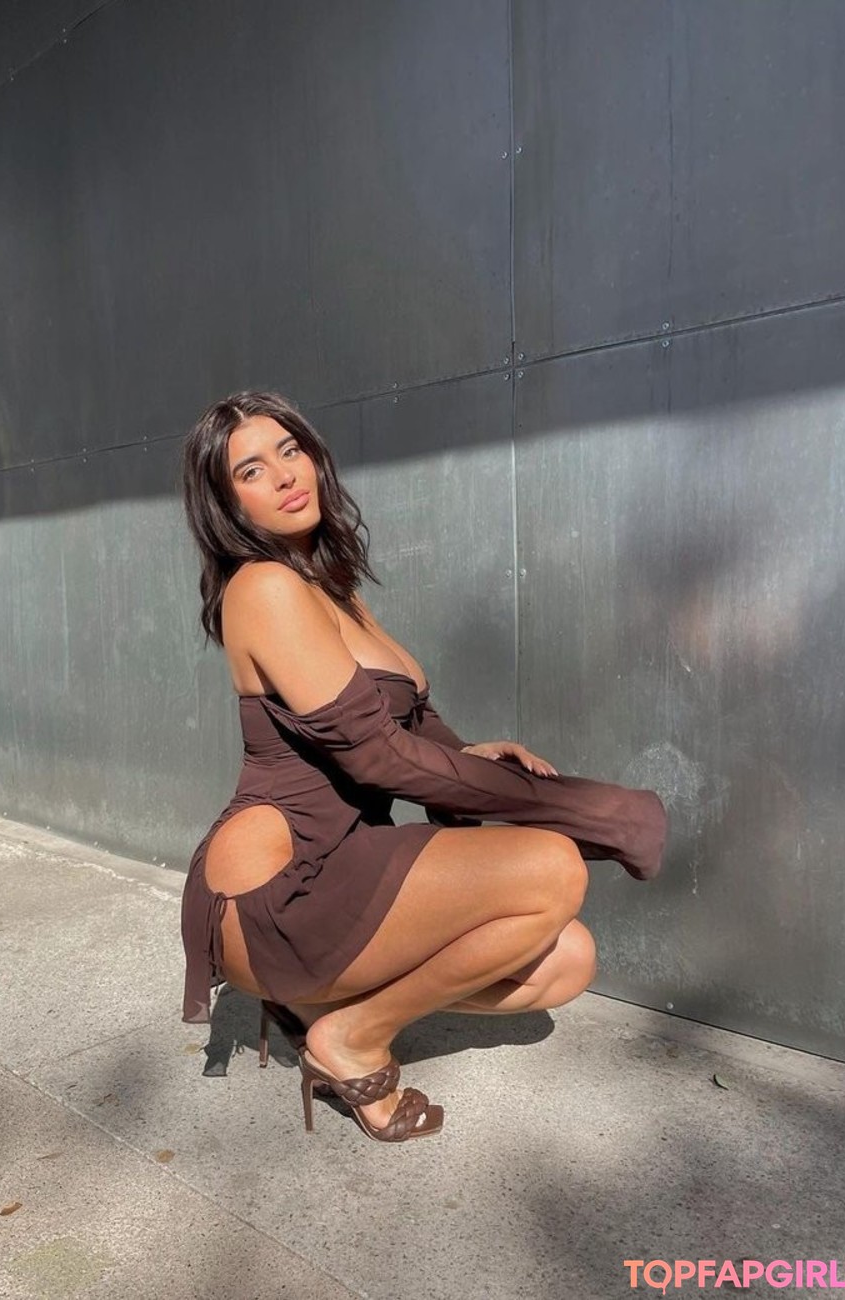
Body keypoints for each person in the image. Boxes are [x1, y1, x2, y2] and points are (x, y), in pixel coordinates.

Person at [179, 390, 667, 1144]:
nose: (283, 474)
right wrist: (581, 809)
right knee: (554, 868)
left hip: (347, 863)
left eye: (290, 450)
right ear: (226, 505)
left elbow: (402, 719)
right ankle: (352, 1039)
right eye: (251, 470)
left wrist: (465, 753)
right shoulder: (263, 587)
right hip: (276, 889)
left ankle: (323, 1009)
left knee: (567, 961)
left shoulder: (328, 586)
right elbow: (376, 755)